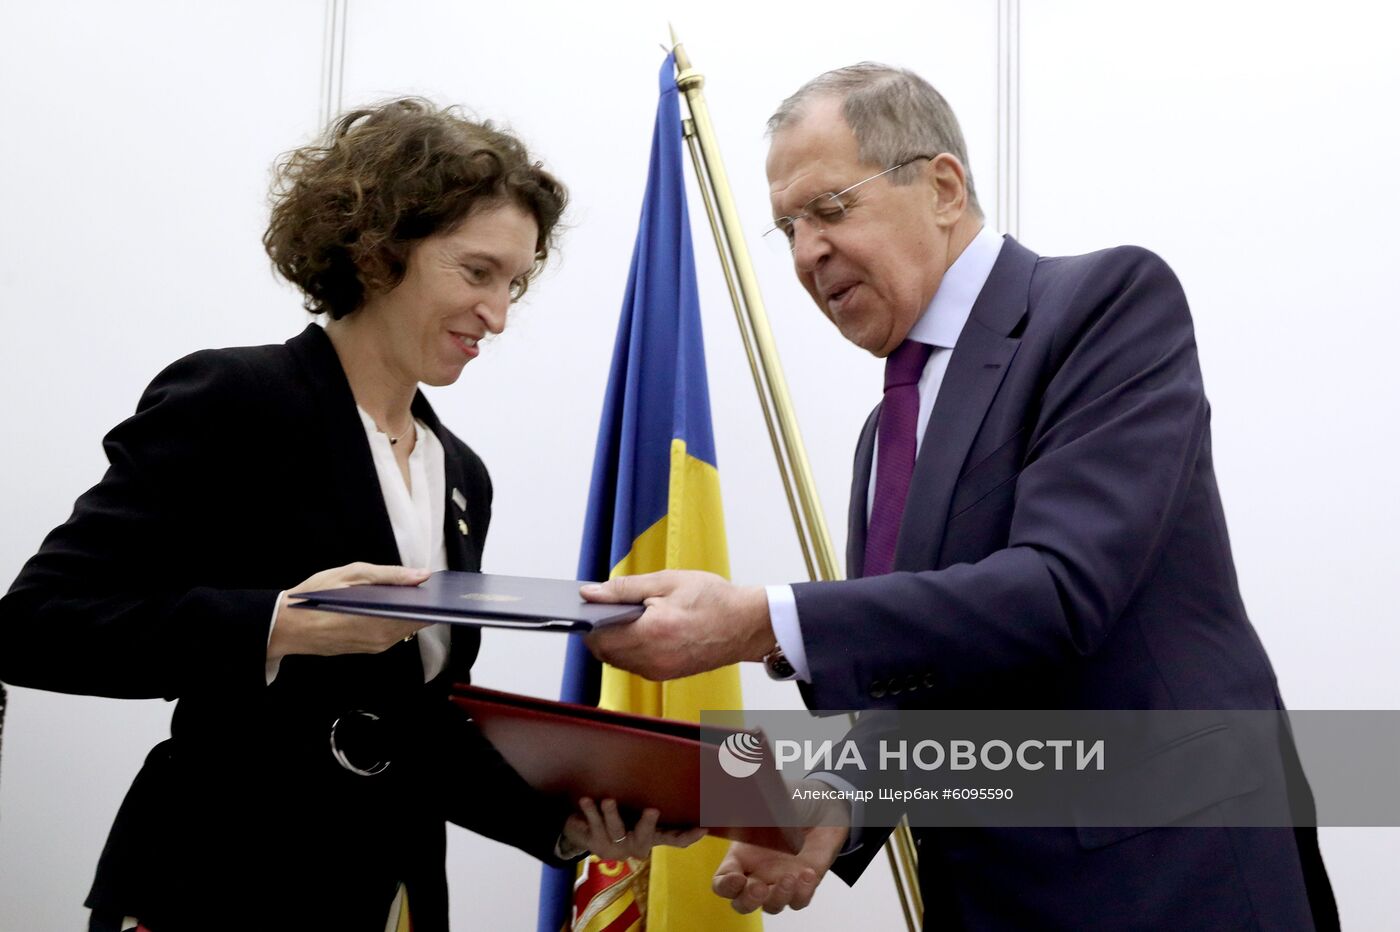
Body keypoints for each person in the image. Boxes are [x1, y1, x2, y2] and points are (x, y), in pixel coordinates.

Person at [581, 64, 1340, 929]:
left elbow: (1057, 592)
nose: (804, 254)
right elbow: (936, 686)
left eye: (830, 209)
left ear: (942, 187)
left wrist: (759, 622)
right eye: (788, 228)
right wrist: (831, 802)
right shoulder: (885, 433)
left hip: (1168, 887)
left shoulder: (1104, 304)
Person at [0, 98, 700, 932]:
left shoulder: (462, 476)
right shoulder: (234, 401)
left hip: (391, 896)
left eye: (514, 283)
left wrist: (559, 825)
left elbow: (410, 722)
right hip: (214, 886)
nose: (500, 314)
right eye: (477, 272)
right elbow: (34, 627)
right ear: (376, 252)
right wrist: (279, 625)